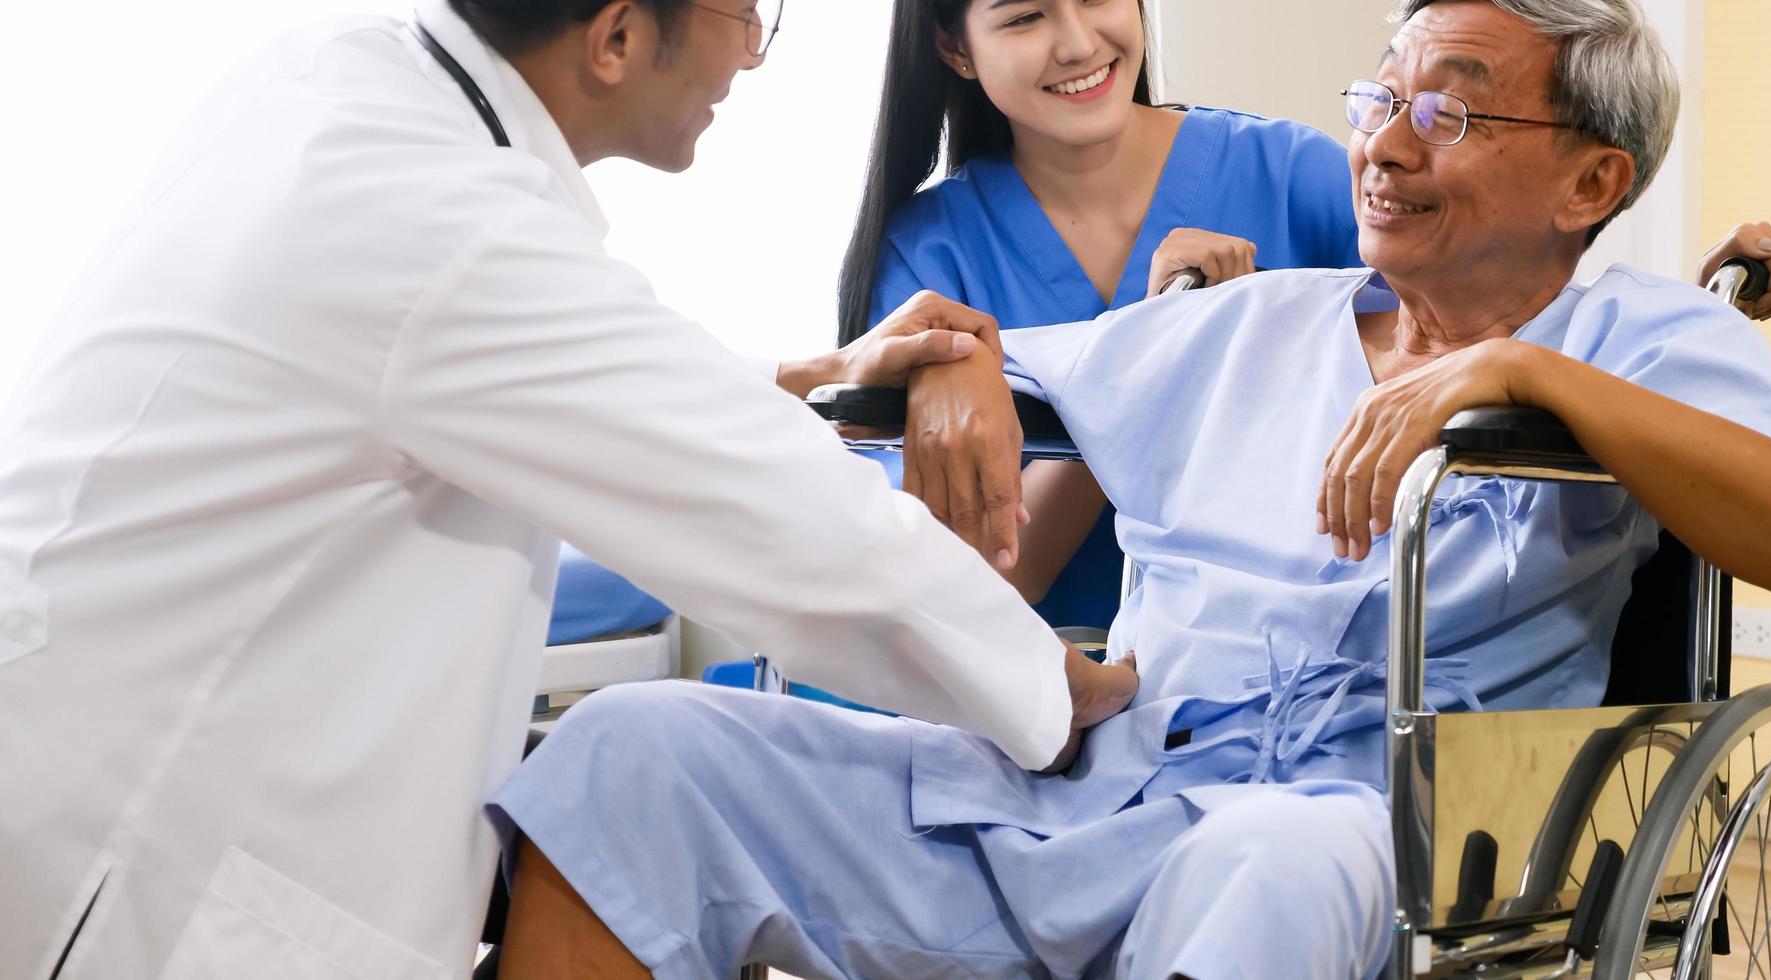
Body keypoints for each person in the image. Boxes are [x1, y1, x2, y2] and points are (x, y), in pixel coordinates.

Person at [487, 1, 1771, 977]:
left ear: (1590, 179)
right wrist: (948, 342)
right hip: (1091, 788)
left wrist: (1527, 375)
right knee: (640, 754)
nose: (1381, 144)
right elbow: (922, 356)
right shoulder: (1248, 320)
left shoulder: (1632, 339)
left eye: (1440, 109)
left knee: (1258, 865)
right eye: (1375, 99)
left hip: (1353, 826)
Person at [0, 2, 1144, 977]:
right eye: (748, 15)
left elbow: (498, 368)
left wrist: (806, 376)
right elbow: (788, 521)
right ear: (613, 37)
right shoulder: (439, 220)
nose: (751, 55)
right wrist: (1061, 691)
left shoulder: (346, 90)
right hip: (134, 839)